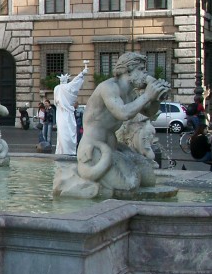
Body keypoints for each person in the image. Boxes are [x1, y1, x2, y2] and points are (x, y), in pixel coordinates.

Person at [71, 52, 170, 190]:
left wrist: (156, 98)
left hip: (113, 149)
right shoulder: (109, 87)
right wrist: (147, 95)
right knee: (129, 185)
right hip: (94, 149)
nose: (145, 73)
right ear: (128, 70)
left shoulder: (131, 93)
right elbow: (123, 113)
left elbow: (149, 112)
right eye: (141, 69)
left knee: (148, 178)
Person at [53, 66, 88, 155]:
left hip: (60, 113)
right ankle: (68, 151)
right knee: (68, 132)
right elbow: (75, 82)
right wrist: (82, 73)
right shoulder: (68, 87)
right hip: (68, 114)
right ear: (67, 80)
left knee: (61, 133)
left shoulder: (57, 88)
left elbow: (55, 102)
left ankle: (61, 151)